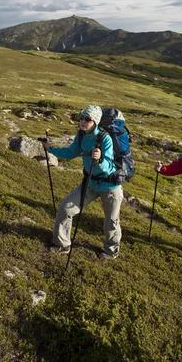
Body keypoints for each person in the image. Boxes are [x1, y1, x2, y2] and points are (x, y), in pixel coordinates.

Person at [42, 105, 123, 260]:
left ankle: (111, 251)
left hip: (110, 186)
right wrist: (50, 149)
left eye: (87, 119)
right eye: (81, 117)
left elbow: (109, 167)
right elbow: (71, 153)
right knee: (66, 208)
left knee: (111, 221)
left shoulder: (105, 138)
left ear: (95, 121)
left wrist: (98, 159)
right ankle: (62, 244)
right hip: (90, 183)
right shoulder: (81, 136)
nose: (83, 121)